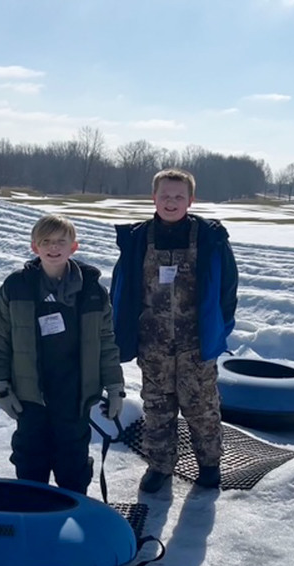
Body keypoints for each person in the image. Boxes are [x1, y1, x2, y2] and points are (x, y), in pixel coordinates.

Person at [110, 168, 238, 493]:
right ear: (154, 198)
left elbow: (228, 289)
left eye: (179, 196)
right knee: (157, 408)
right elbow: (122, 288)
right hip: (152, 344)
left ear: (191, 200)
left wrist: (220, 328)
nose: (171, 202)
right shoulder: (138, 239)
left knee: (203, 407)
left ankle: (209, 465)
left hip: (196, 342)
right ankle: (160, 467)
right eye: (165, 195)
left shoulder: (210, 239)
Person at [0, 214, 125, 495]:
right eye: (45, 241)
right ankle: (32, 515)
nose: (53, 247)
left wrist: (115, 387)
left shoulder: (92, 291)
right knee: (30, 459)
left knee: (72, 463)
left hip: (74, 394)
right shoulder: (17, 286)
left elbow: (106, 342)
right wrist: (0, 386)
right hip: (29, 393)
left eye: (61, 241)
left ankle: (71, 516)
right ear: (34, 247)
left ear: (74, 247)